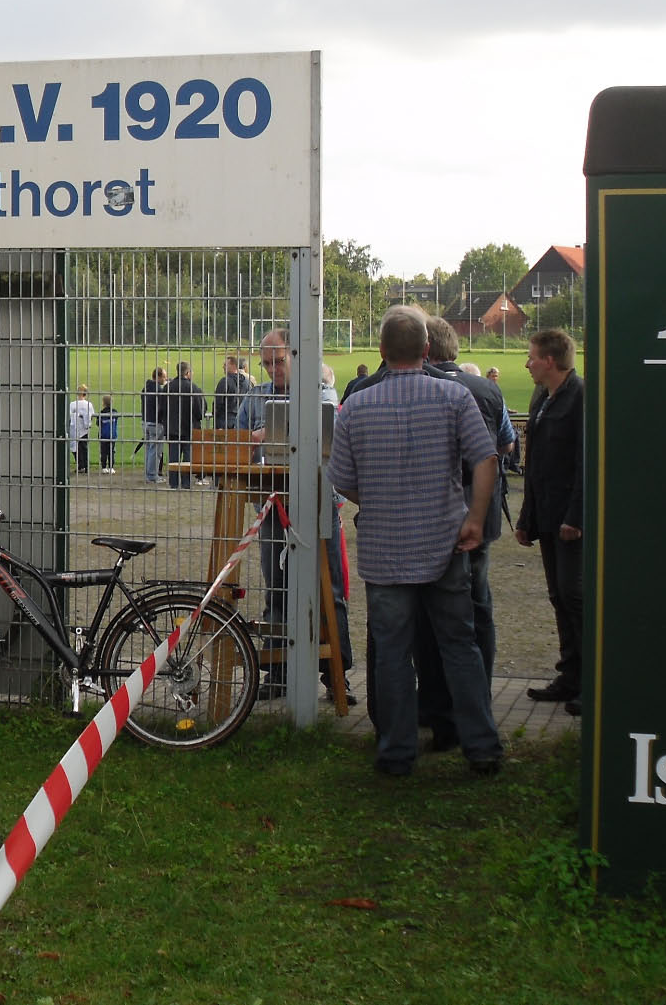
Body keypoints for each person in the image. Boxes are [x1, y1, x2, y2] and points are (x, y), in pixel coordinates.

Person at [329, 306, 502, 778]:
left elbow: (341, 478)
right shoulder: (454, 397)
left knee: (392, 653)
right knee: (459, 646)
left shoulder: (356, 406)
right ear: (427, 349)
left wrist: (376, 499)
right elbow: (486, 459)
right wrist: (474, 519)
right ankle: (482, 746)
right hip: (445, 542)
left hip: (385, 549)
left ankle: (396, 752)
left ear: (381, 351)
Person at [414, 317, 517, 752]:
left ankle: (437, 706)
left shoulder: (429, 390)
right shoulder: (488, 390)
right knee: (479, 608)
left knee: (434, 619)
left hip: (440, 514)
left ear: (427, 350)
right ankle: (480, 695)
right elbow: (505, 446)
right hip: (481, 514)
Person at [237, 328, 354, 700]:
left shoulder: (321, 392)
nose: (272, 369)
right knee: (277, 589)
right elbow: (237, 445)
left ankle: (337, 676)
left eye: (278, 361)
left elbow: (324, 432)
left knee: (330, 591)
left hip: (318, 504)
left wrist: (270, 434)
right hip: (273, 506)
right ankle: (277, 673)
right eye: (266, 363)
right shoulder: (253, 398)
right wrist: (249, 442)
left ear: (295, 357)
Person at [516, 328, 586, 716]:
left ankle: (591, 680)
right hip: (545, 516)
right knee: (558, 595)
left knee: (575, 595)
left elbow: (585, 463)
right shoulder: (542, 397)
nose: (527, 364)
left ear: (550, 360)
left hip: (569, 519)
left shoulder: (581, 397)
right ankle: (569, 676)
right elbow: (535, 464)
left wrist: (576, 516)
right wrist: (527, 517)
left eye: (532, 357)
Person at [162, 360, 204, 490]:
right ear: (188, 372)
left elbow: (162, 408)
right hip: (189, 427)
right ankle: (186, 482)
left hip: (172, 427)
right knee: (187, 456)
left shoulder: (168, 387)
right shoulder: (193, 388)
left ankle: (173, 483)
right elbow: (199, 410)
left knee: (173, 456)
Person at [212, 355, 253, 434]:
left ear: (233, 365)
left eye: (225, 365)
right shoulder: (247, 382)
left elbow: (218, 403)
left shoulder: (224, 381)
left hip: (224, 421)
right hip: (241, 421)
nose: (223, 367)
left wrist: (216, 417)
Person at [140, 366, 167, 484]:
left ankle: (148, 474)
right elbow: (161, 407)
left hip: (145, 421)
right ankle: (152, 475)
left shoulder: (145, 388)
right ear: (159, 377)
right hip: (156, 423)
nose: (165, 379)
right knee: (155, 451)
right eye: (164, 377)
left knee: (148, 449)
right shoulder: (158, 390)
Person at [67, 384, 95, 474]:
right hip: (85, 429)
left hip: (74, 428)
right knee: (84, 447)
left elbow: (69, 416)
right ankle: (86, 466)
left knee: (75, 447)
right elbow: (92, 416)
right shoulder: (89, 404)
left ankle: (80, 465)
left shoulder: (73, 404)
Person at [98, 396, 119, 473]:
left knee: (103, 452)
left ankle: (104, 467)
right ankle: (111, 467)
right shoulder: (115, 412)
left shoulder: (102, 412)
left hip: (103, 435)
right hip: (112, 435)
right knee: (111, 451)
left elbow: (98, 423)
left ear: (103, 403)